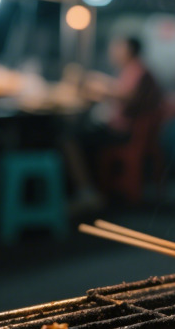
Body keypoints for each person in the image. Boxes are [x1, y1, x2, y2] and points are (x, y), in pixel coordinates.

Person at [64, 36, 164, 209]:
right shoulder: (134, 69)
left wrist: (103, 88)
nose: (113, 52)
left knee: (72, 139)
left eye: (117, 48)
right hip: (127, 129)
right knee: (84, 135)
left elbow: (127, 97)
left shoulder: (137, 71)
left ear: (129, 50)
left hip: (127, 132)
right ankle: (91, 190)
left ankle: (87, 192)